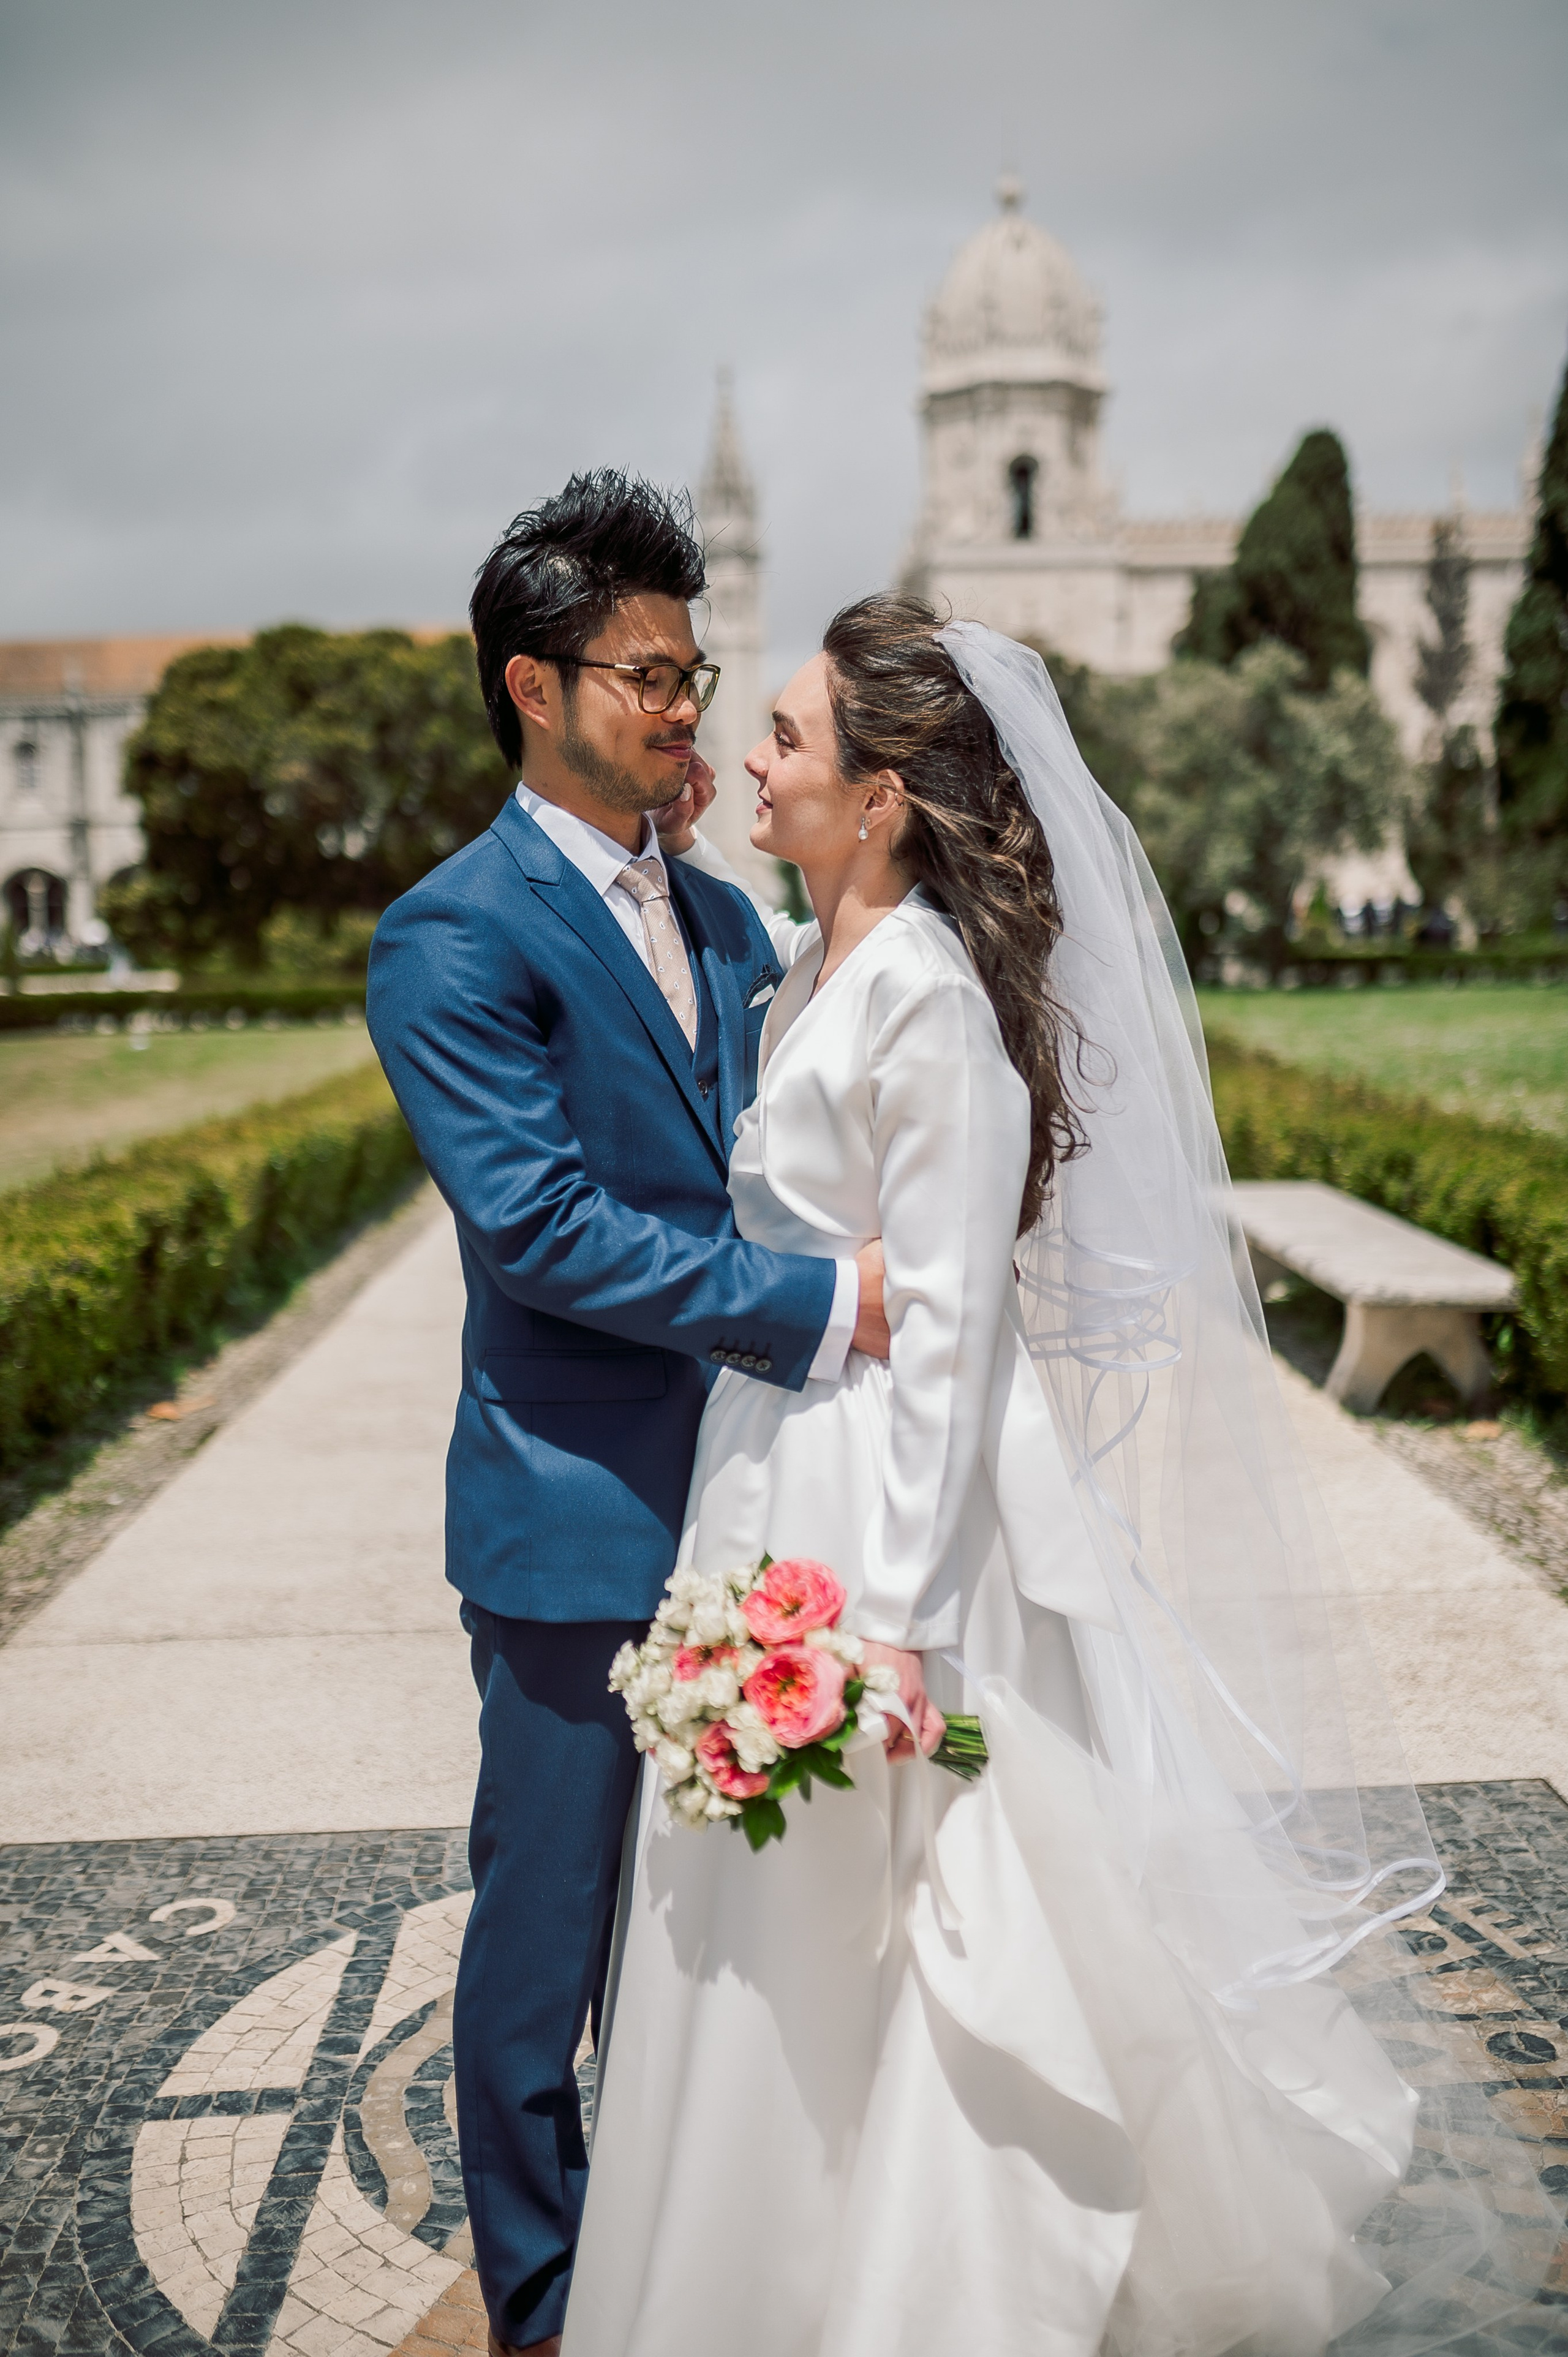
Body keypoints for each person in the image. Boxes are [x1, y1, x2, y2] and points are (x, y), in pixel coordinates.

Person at [562, 600, 1462, 2356]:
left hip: (887, 1528)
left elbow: (959, 1344)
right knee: (756, 1911)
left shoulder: (931, 1010)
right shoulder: (813, 965)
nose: (750, 756)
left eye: (789, 740)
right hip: (768, 1475)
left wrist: (891, 1626)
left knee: (914, 1917)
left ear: (882, 797)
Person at [366, 472, 889, 2357]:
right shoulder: (451, 937)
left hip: (767, 1506)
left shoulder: (735, 926)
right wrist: (819, 1309)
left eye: (697, 670)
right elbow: (542, 1230)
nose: (687, 707)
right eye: (650, 673)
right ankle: (544, 2299)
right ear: (535, 683)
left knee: (720, 1926)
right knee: (548, 1935)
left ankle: (708, 2249)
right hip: (577, 1518)